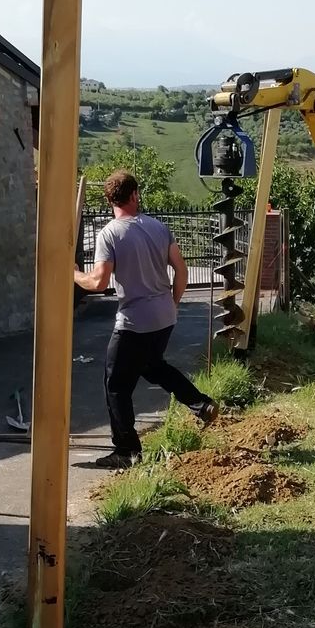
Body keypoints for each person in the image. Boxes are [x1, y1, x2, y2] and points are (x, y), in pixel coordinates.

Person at [74, 169, 218, 469]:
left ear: (109, 199)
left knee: (116, 385)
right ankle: (201, 404)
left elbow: (98, 282)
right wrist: (173, 303)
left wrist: (72, 274)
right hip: (164, 317)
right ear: (135, 195)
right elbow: (181, 270)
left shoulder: (110, 233)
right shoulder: (159, 227)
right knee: (153, 366)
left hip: (134, 322)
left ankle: (127, 451)